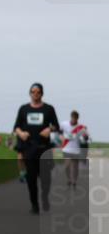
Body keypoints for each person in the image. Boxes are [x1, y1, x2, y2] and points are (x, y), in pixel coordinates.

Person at [12, 83, 60, 214]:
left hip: (43, 147)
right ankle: (34, 205)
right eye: (33, 92)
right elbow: (16, 126)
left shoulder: (49, 109)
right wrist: (21, 133)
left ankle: (45, 198)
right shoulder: (23, 109)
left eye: (38, 92)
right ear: (30, 93)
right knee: (31, 178)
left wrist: (49, 129)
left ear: (42, 93)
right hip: (29, 148)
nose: (35, 94)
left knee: (45, 178)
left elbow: (56, 125)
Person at [60, 110, 91, 188]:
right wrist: (61, 137)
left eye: (76, 119)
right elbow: (59, 131)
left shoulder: (81, 127)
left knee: (75, 167)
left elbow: (87, 137)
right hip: (66, 148)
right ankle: (69, 179)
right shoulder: (64, 124)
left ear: (78, 119)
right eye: (73, 118)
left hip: (76, 149)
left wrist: (85, 136)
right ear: (71, 117)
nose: (74, 120)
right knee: (67, 166)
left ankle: (74, 181)